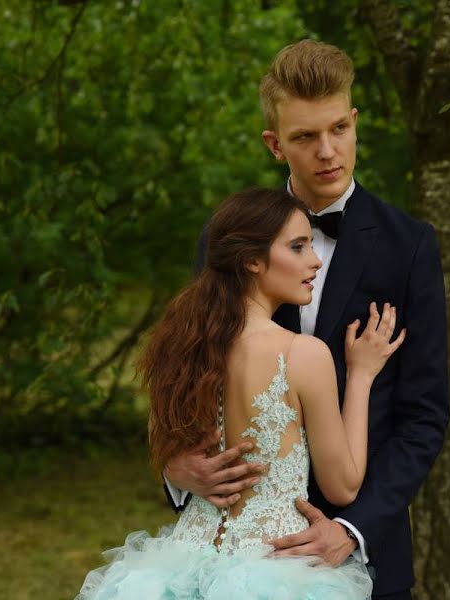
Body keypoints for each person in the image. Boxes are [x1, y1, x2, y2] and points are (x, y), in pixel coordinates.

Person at [164, 40, 450, 599]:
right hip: (227, 558)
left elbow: (424, 414)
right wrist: (175, 469)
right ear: (275, 144)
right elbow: (187, 372)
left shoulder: (410, 246)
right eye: (304, 137)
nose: (327, 150)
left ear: (355, 122)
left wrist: (352, 530)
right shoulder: (227, 238)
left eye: (339, 128)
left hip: (362, 559)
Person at [78, 187, 404, 598]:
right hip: (275, 573)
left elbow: (164, 450)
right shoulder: (303, 354)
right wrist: (361, 377)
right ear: (252, 260)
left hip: (179, 570)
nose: (315, 260)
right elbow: (343, 486)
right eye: (298, 247)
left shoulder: (180, 344)